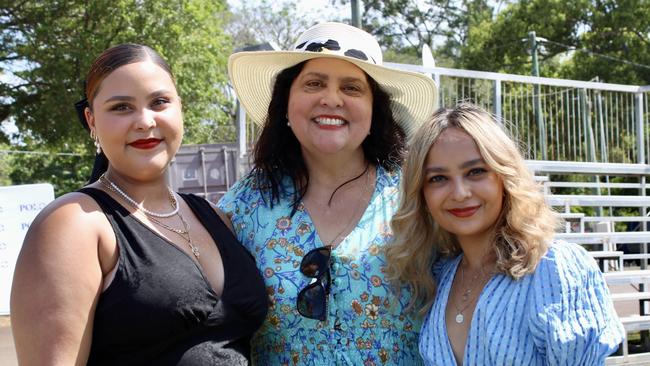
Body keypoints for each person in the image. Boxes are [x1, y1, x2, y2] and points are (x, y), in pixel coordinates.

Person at [10, 43, 267, 366]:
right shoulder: (75, 223)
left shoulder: (214, 217)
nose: (145, 121)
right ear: (91, 120)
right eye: (121, 107)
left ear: (179, 108)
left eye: (159, 102)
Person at [218, 22, 438, 364]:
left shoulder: (417, 196)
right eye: (314, 83)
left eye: (351, 88)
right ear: (286, 103)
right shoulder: (241, 208)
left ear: (374, 109)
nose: (331, 98)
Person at [385, 103, 625, 365]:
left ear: (504, 176)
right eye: (438, 178)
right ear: (422, 195)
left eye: (476, 172)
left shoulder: (554, 268)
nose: (460, 193)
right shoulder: (439, 276)